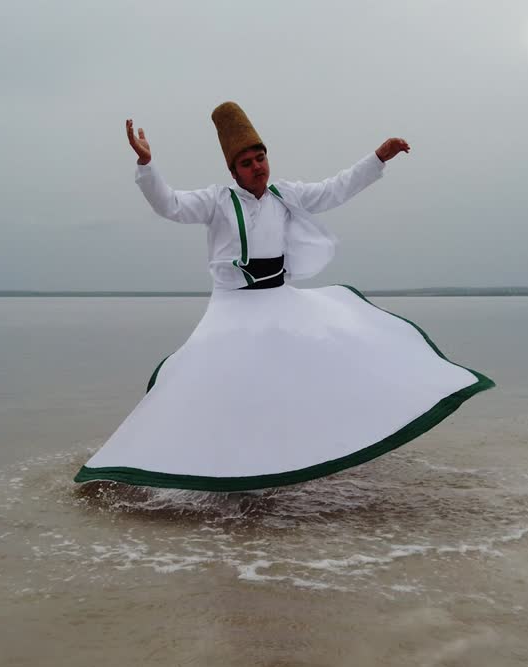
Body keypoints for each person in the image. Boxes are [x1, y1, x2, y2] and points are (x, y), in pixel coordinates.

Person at [74, 102, 492, 492]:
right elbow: (170, 205)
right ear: (233, 170)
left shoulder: (284, 195)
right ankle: (194, 460)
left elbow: (335, 189)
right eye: (247, 163)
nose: (257, 167)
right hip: (232, 307)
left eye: (260, 158)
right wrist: (147, 165)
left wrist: (379, 157)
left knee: (319, 362)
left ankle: (293, 453)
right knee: (214, 383)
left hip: (280, 301)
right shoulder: (217, 201)